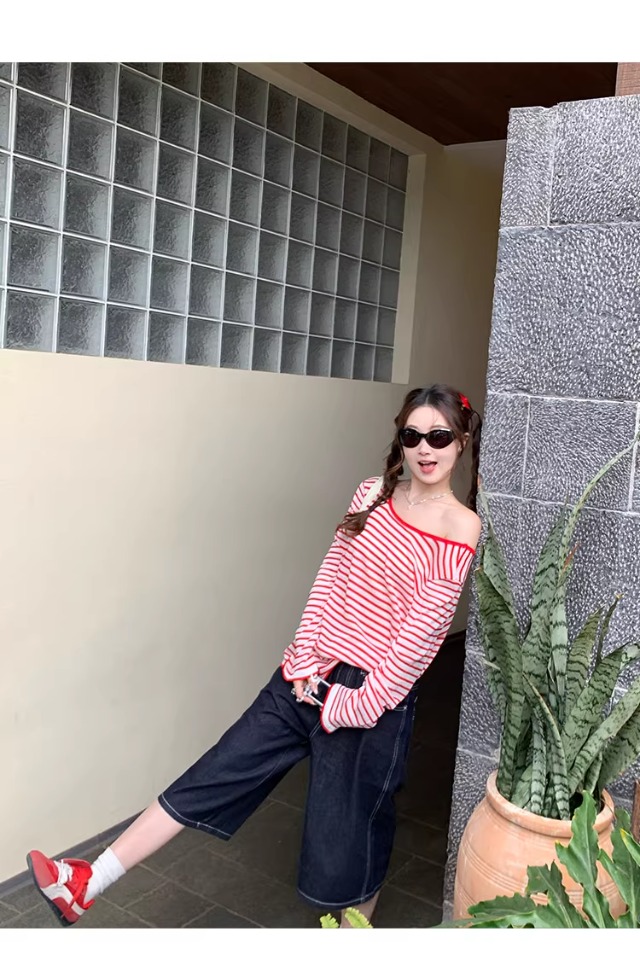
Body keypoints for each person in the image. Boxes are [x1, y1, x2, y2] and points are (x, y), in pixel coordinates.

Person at [27, 383, 482, 928]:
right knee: (217, 770)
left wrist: (352, 706)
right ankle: (87, 881)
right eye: (412, 436)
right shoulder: (371, 494)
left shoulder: (461, 526)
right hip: (305, 677)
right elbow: (330, 580)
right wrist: (302, 657)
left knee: (349, 846)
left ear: (460, 442)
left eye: (439, 437)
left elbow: (420, 638)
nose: (424, 449)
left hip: (370, 701)